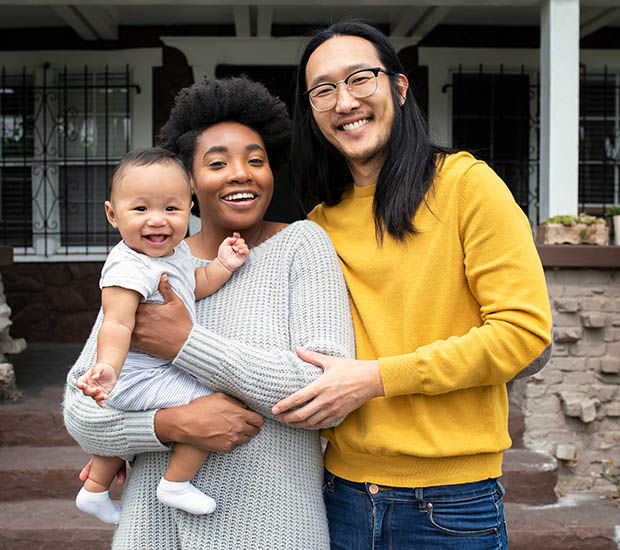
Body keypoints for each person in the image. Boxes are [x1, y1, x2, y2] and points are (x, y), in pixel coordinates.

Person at [271, 20, 553, 549]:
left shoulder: (467, 186)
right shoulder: (318, 227)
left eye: (360, 78)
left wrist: (376, 378)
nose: (344, 100)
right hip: (337, 495)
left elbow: (522, 333)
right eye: (323, 89)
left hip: (451, 503)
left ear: (399, 88)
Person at [63, 76, 355, 549]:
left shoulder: (303, 245)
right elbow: (83, 410)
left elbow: (324, 393)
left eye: (256, 161)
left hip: (274, 528)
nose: (241, 173)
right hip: (152, 531)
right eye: (217, 163)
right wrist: (169, 425)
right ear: (190, 183)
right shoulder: (147, 261)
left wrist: (186, 344)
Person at [74, 147, 250, 523]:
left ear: (190, 209)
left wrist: (222, 265)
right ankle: (175, 482)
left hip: (152, 372)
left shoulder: (175, 255)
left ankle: (94, 490)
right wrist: (107, 367)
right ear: (112, 214)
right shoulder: (128, 265)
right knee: (207, 402)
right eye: (140, 209)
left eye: (171, 209)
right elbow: (117, 323)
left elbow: (195, 286)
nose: (157, 220)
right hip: (135, 375)